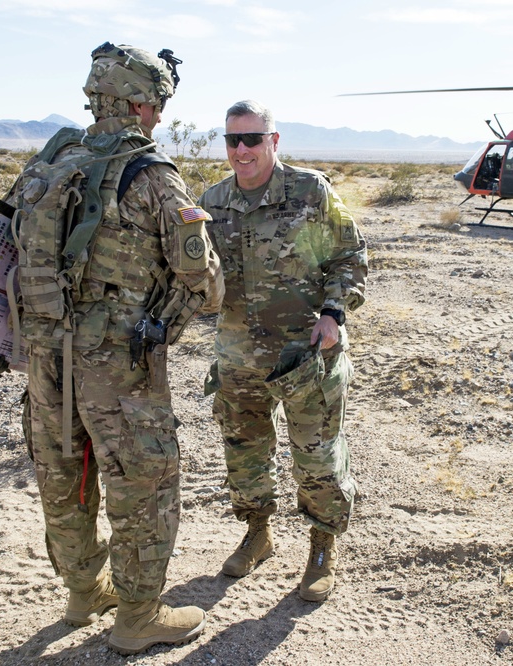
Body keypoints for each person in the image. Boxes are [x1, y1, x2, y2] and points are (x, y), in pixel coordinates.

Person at [2, 42, 224, 655]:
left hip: (47, 357)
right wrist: (161, 326)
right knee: (143, 483)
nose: (157, 115)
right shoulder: (151, 175)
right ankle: (137, 616)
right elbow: (202, 282)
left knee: (62, 472)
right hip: (117, 364)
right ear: (136, 102)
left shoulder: (48, 164)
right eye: (155, 103)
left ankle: (82, 592)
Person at [197, 100, 367, 602]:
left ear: (274, 140)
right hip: (238, 358)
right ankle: (257, 534)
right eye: (233, 140)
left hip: (305, 357)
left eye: (253, 139)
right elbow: (199, 277)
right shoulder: (214, 201)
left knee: (317, 458)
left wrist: (334, 313)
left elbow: (350, 254)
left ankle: (321, 548)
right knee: (244, 455)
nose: (242, 150)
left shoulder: (309, 190)